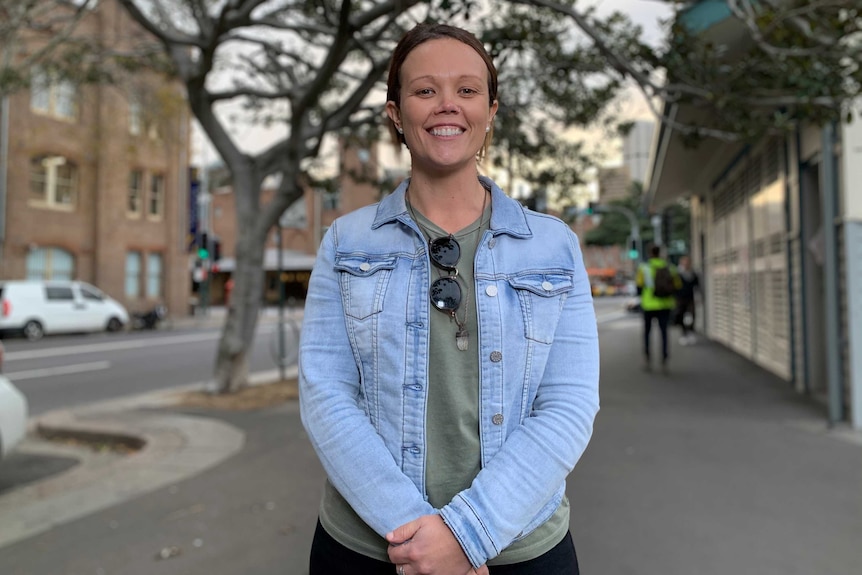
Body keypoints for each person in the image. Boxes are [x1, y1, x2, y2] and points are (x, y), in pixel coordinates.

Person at [299, 23, 600, 575]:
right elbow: (327, 397)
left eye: (467, 90)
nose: (447, 106)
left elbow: (568, 405)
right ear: (395, 112)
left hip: (520, 548)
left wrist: (467, 535)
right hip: (368, 549)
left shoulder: (554, 245)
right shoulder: (346, 242)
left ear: (490, 110)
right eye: (424, 90)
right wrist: (425, 542)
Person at [635, 245, 680, 371]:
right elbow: (677, 285)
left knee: (647, 333)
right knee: (664, 333)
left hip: (648, 305)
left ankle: (647, 359)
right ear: (660, 253)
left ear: (649, 253)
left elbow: (638, 286)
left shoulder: (644, 268)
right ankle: (664, 359)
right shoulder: (670, 267)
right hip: (665, 305)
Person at [674, 255, 699, 345]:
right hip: (680, 298)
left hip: (690, 298)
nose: (687, 264)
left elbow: (697, 287)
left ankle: (691, 331)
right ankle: (684, 333)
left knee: (692, 315)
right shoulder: (678, 274)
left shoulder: (693, 274)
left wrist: (698, 297)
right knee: (681, 315)